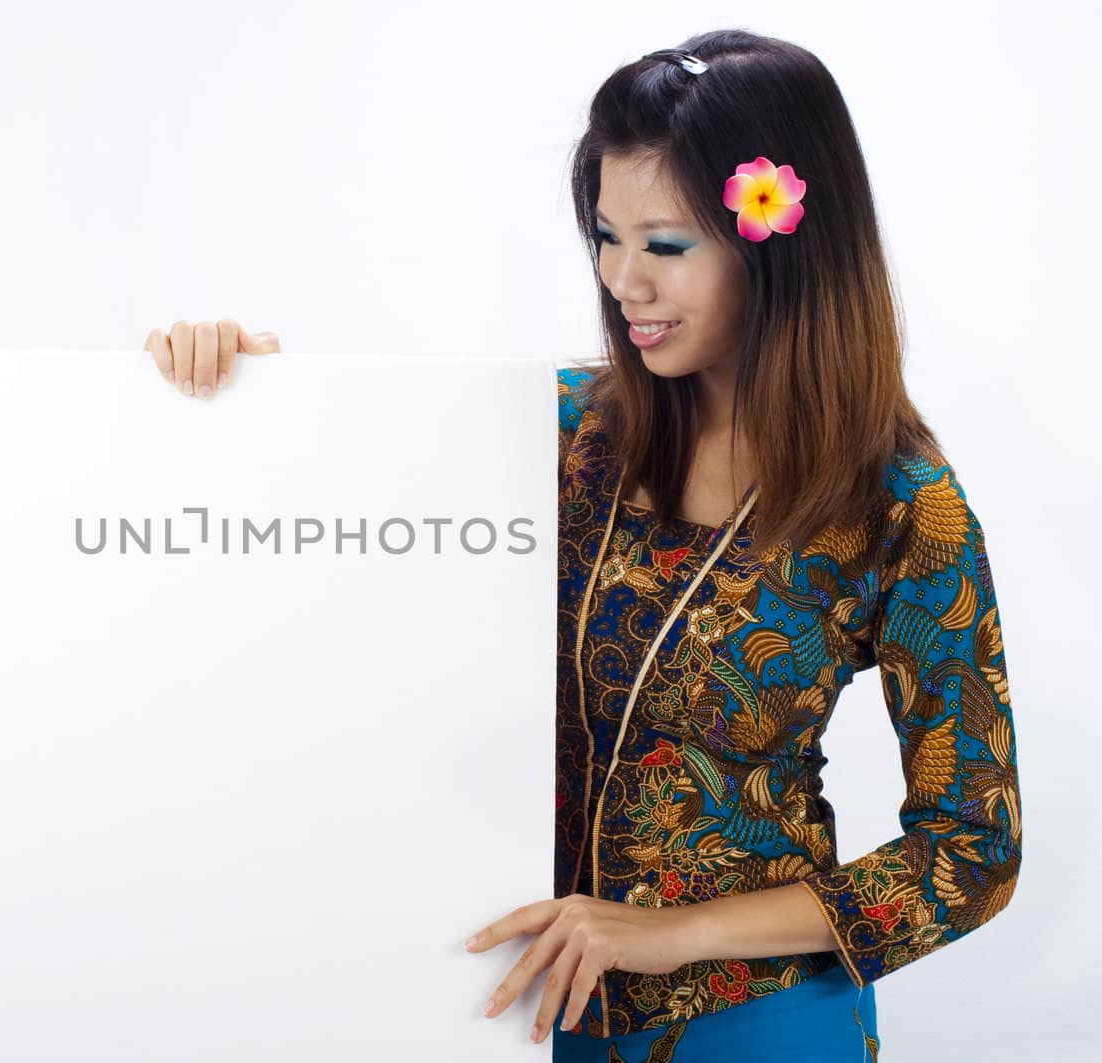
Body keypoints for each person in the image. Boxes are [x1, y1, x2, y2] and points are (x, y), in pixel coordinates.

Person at [140, 28, 1021, 1063]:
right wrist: (246, 393)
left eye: (666, 244)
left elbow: (971, 852)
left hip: (763, 1025)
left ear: (779, 236)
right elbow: (327, 528)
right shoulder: (553, 437)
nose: (622, 282)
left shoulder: (900, 504)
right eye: (605, 237)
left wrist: (671, 933)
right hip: (508, 1008)